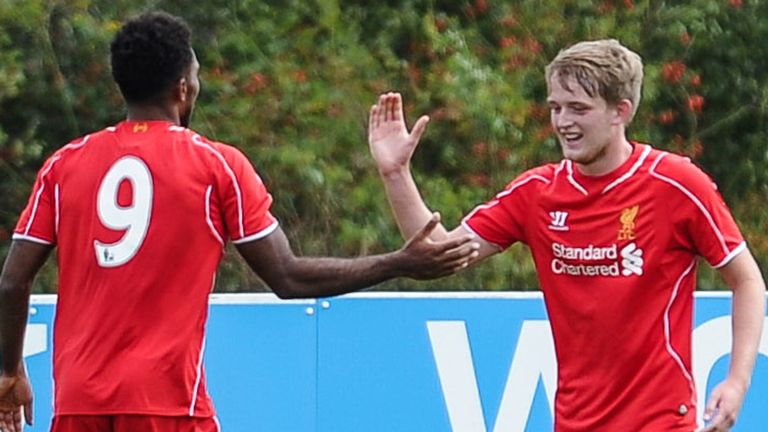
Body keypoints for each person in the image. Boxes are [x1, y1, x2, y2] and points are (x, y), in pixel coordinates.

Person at [0, 11, 480, 432]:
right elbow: (287, 277)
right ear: (183, 88)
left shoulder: (64, 165)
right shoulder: (215, 166)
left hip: (78, 401)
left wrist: (9, 369)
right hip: (167, 403)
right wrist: (399, 261)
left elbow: (12, 280)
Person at [367, 39, 765, 431]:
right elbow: (437, 253)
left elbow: (746, 279)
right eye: (556, 107)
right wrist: (395, 175)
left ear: (619, 112)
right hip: (575, 423)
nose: (563, 122)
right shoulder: (536, 193)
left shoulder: (676, 184)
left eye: (579, 108)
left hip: (660, 422)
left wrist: (737, 381)